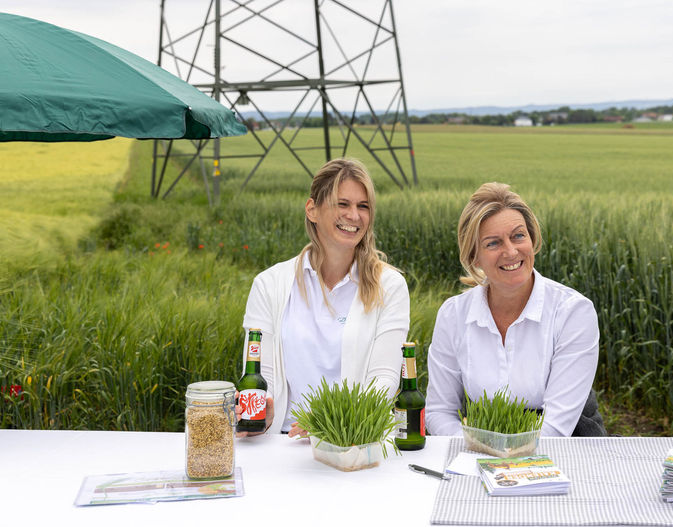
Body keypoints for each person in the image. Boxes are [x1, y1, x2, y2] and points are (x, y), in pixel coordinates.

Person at [238, 158, 410, 437]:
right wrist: (262, 415)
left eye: (363, 206)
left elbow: (384, 381)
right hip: (283, 444)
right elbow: (261, 375)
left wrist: (325, 423)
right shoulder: (269, 285)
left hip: (354, 443)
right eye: (342, 204)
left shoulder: (389, 286)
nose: (354, 216)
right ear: (312, 210)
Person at [425, 182, 604, 437]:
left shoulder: (573, 312)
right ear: (474, 256)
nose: (510, 251)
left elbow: (556, 427)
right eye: (493, 243)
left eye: (519, 236)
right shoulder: (453, 315)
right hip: (478, 449)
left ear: (532, 239)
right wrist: (473, 448)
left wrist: (501, 456)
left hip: (566, 447)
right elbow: (439, 411)